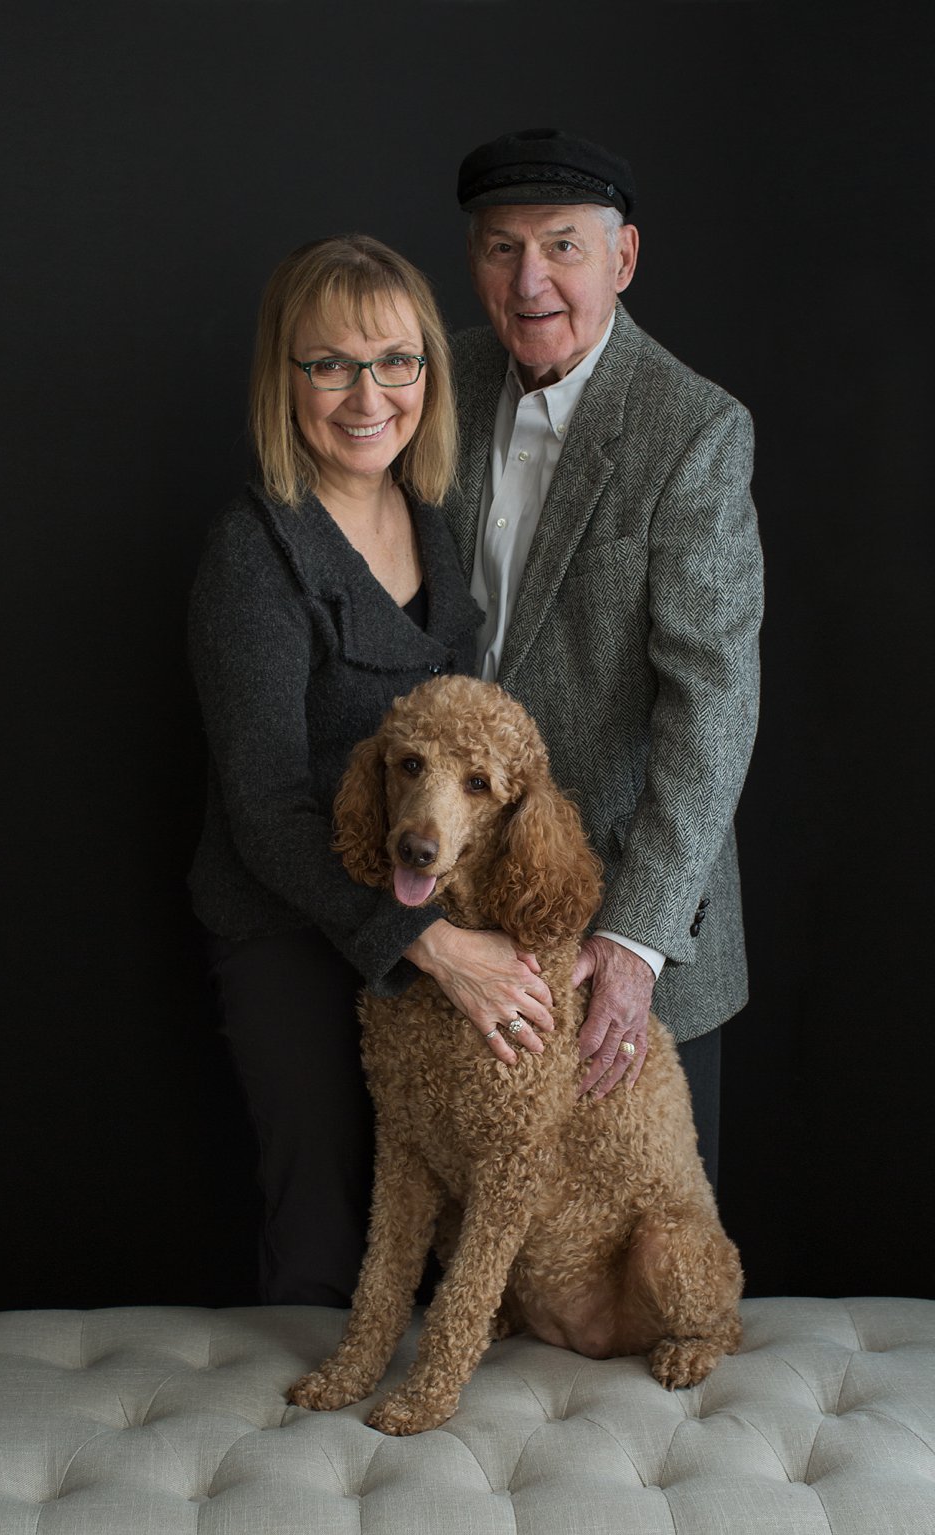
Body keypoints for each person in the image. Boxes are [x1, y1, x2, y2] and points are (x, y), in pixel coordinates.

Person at [187, 234, 555, 1308]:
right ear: (283, 376)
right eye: (330, 363)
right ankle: (308, 1472)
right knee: (327, 1227)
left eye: (395, 360)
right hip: (290, 926)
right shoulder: (254, 552)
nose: (367, 395)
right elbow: (263, 810)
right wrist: (439, 948)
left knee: (438, 1211)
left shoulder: (434, 529)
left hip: (420, 909)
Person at [445, 129, 765, 1186]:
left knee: (639, 1276)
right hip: (465, 927)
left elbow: (711, 708)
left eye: (560, 247)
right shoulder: (431, 383)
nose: (528, 281)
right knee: (479, 1249)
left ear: (621, 259)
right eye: (500, 249)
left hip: (627, 927)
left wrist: (633, 942)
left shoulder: (693, 427)